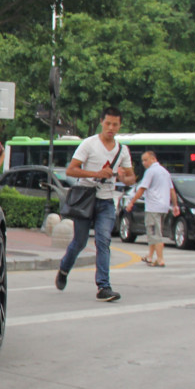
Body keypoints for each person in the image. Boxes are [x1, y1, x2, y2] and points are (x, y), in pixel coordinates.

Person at [56, 106, 136, 301]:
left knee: (103, 240)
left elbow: (131, 177)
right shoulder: (89, 144)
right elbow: (71, 170)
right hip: (86, 199)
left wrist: (126, 178)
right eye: (108, 123)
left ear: (120, 126)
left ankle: (103, 286)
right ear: (102, 122)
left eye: (115, 124)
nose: (111, 127)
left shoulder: (122, 150)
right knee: (80, 242)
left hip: (107, 201)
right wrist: (96, 174)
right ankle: (64, 269)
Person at [124, 150, 180, 267]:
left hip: (153, 207)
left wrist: (131, 202)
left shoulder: (151, 172)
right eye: (143, 160)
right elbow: (172, 190)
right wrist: (175, 205)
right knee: (153, 232)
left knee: (155, 233)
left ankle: (160, 259)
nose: (144, 163)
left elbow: (142, 188)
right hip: (164, 206)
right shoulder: (165, 172)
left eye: (146, 160)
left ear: (153, 159)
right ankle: (150, 256)